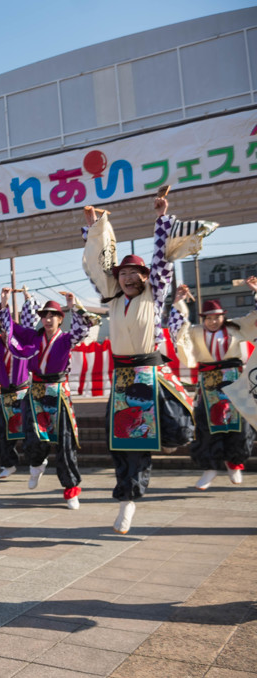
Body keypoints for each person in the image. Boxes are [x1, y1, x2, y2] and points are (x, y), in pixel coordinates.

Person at [82, 200, 195, 534]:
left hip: (150, 374)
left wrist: (161, 219)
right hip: (123, 380)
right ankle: (127, 502)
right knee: (125, 444)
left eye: (137, 273)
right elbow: (98, 264)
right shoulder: (113, 298)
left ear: (147, 277)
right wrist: (94, 229)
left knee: (179, 426)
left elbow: (162, 262)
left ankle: (166, 440)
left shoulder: (155, 294)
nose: (130, 277)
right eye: (125, 273)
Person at [2, 289, 99, 509]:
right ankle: (36, 465)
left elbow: (85, 326)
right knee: (33, 437)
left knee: (65, 442)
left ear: (60, 319)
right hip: (36, 391)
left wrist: (73, 305)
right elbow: (11, 329)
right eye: (44, 316)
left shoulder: (66, 339)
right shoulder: (33, 337)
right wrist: (4, 303)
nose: (47, 319)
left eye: (52, 315)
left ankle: (71, 490)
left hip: (58, 392)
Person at [170, 278, 257, 489]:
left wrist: (255, 291)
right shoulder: (196, 332)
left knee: (240, 424)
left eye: (217, 317)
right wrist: (179, 302)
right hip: (208, 384)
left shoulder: (236, 327)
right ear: (204, 318)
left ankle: (234, 464)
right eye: (208, 318)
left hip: (234, 382)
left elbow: (255, 318)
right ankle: (209, 469)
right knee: (207, 425)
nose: (213, 321)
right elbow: (179, 329)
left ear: (223, 317)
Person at [0, 291, 31, 480]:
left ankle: (36, 460)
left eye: (5, 329)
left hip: (22, 393)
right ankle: (8, 463)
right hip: (5, 395)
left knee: (28, 430)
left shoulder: (21, 343)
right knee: (1, 430)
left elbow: (24, 323)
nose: (2, 332)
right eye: (0, 329)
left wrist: (5, 303)